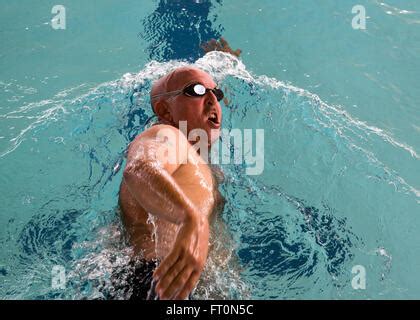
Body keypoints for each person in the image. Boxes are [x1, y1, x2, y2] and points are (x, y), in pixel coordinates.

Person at [118, 66, 226, 300]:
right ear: (165, 111)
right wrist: (190, 217)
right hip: (160, 282)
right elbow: (139, 168)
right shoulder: (167, 135)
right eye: (196, 91)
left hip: (196, 285)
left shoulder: (199, 161)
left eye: (217, 94)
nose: (211, 100)